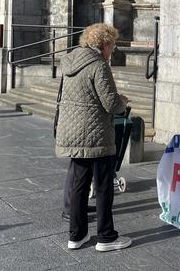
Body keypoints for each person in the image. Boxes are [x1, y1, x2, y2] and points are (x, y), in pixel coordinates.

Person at [55, 23, 132, 252]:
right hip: (96, 135)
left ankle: (76, 236)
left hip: (73, 132)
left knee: (79, 185)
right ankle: (106, 237)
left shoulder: (70, 61)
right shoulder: (99, 66)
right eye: (113, 46)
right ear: (104, 44)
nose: (112, 51)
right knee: (103, 186)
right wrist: (123, 102)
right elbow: (110, 103)